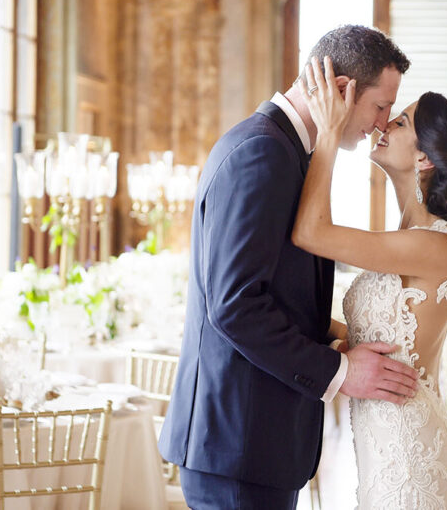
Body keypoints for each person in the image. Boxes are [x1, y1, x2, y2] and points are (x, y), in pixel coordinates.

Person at [159, 25, 420, 509]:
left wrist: (340, 342)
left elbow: (280, 293)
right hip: (239, 443)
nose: (382, 124)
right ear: (342, 89)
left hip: (254, 443)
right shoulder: (262, 152)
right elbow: (236, 306)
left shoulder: (285, 151)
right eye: (381, 106)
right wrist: (340, 371)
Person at [292, 56, 447, 509]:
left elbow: (310, 233)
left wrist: (328, 134)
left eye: (400, 121)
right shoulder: (409, 239)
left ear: (424, 157)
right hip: (383, 450)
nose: (384, 124)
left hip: (410, 459)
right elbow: (382, 338)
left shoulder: (435, 245)